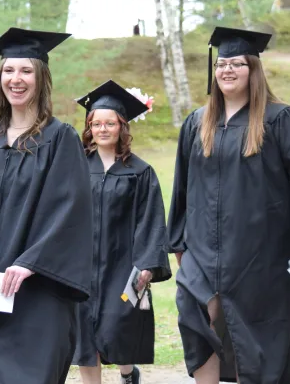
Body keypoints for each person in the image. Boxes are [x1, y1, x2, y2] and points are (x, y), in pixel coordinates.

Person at [166, 27, 290, 384]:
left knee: (257, 335)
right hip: (202, 248)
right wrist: (177, 240)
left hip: (260, 251)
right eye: (222, 64)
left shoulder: (279, 119)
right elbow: (182, 186)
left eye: (237, 64)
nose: (227, 70)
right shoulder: (197, 124)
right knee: (194, 316)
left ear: (253, 70)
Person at [0, 27, 93, 384]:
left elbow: (70, 210)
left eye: (26, 71)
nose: (16, 79)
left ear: (41, 78)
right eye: (9, 71)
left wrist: (30, 263)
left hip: (36, 293)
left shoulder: (60, 139)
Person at [72, 80, 172, 384]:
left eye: (110, 123)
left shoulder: (140, 172)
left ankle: (128, 373)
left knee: (118, 327)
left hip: (123, 263)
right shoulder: (75, 166)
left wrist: (146, 264)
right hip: (81, 265)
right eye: (96, 123)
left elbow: (151, 218)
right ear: (89, 127)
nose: (103, 129)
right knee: (85, 340)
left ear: (122, 127)